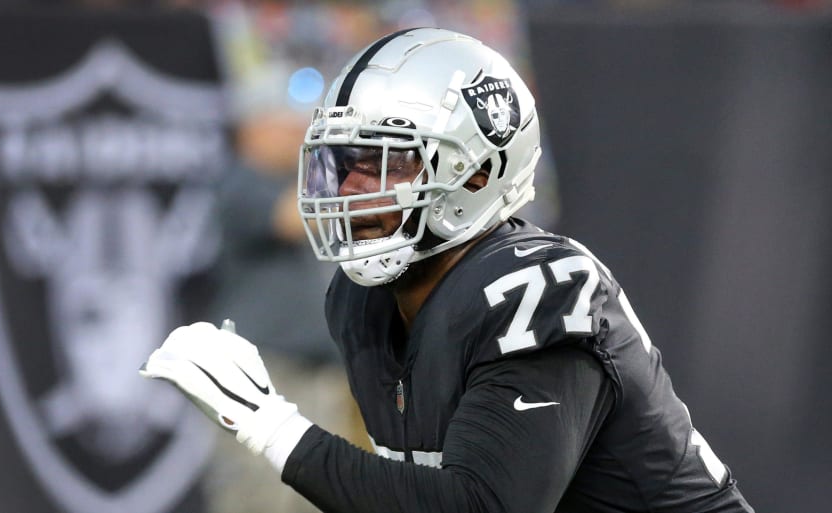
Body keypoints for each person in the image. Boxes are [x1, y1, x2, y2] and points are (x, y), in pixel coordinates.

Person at [141, 28, 753, 512]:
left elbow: (482, 506)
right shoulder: (363, 303)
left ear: (478, 172)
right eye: (342, 163)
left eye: (385, 163)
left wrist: (272, 427)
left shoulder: (537, 290)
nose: (353, 190)